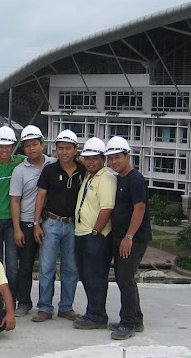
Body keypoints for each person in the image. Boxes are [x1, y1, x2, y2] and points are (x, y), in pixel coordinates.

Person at [32, 129, 85, 322]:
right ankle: (45, 307)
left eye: (68, 148)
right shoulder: (50, 169)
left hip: (73, 225)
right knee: (46, 267)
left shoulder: (82, 170)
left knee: (71, 267)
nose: (64, 152)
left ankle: (66, 307)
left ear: (75, 150)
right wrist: (37, 223)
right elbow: (41, 196)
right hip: (51, 223)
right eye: (60, 148)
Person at [105, 136, 152, 340]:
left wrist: (129, 237)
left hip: (133, 238)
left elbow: (139, 209)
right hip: (121, 237)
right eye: (111, 158)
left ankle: (128, 323)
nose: (114, 162)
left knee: (125, 279)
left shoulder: (135, 179)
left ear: (127, 156)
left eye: (118, 157)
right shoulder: (120, 178)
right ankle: (136, 318)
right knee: (125, 279)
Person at [9, 125, 56, 317]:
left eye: (35, 144)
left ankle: (46, 305)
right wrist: (17, 228)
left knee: (48, 266)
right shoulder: (20, 171)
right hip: (27, 222)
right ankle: (24, 302)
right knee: (26, 265)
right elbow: (15, 200)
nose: (31, 148)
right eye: (27, 146)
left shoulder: (54, 164)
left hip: (50, 221)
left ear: (42, 145)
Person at [72, 137, 116, 330]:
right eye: (87, 158)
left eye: (95, 158)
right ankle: (92, 312)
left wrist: (96, 232)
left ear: (103, 159)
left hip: (95, 236)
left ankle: (98, 316)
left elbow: (107, 208)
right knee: (87, 275)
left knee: (96, 276)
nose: (90, 162)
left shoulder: (106, 178)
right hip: (83, 233)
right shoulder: (91, 175)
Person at [0, 126, 25, 302]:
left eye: (8, 146)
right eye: (1, 146)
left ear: (14, 146)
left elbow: (41, 160)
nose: (4, 149)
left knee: (12, 265)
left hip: (12, 221)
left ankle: (12, 297)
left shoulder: (21, 162)